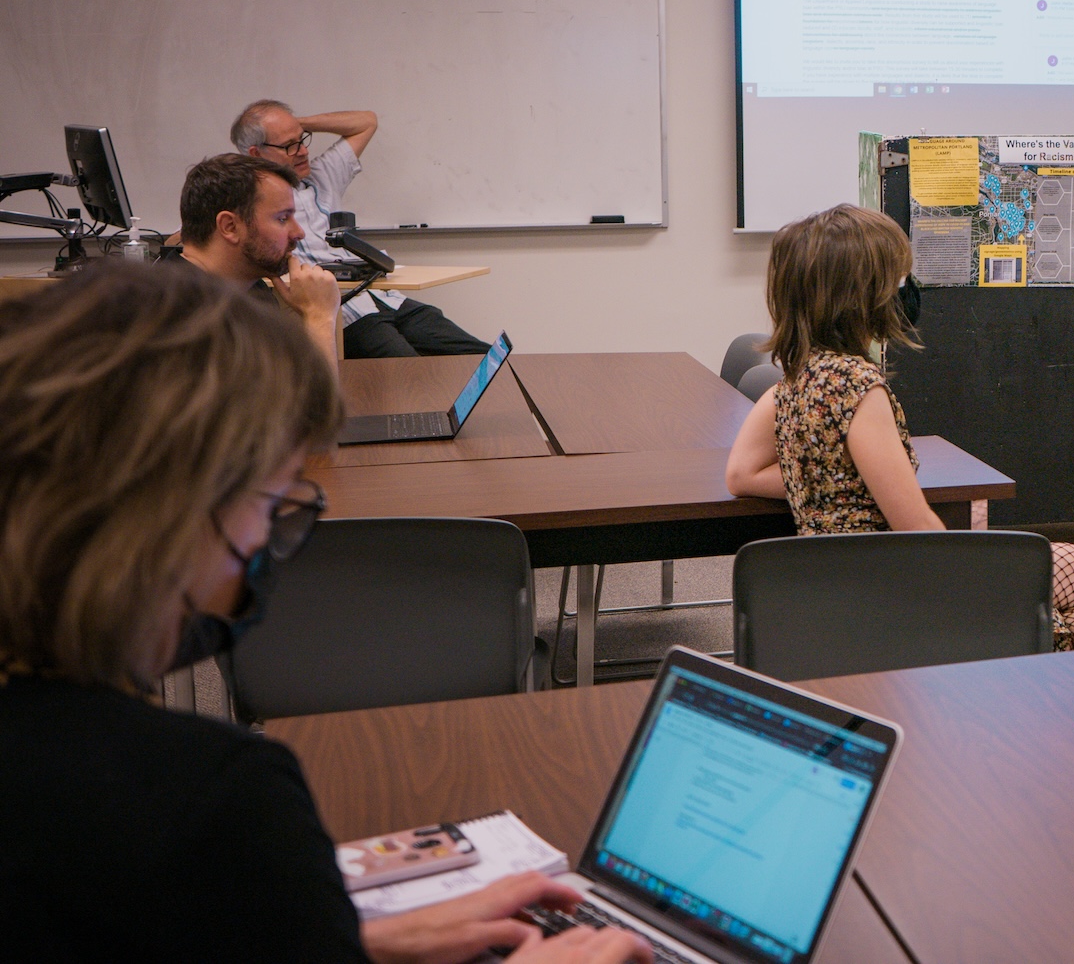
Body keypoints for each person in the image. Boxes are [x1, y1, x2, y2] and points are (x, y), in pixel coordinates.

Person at [0, 264, 647, 963]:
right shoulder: (207, 797)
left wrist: (342, 939)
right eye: (272, 503)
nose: (274, 539)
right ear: (170, 520)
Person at [725, 204, 1074, 654]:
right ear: (862, 295)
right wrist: (973, 552)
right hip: (891, 593)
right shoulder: (859, 387)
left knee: (1064, 572)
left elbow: (741, 475)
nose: (906, 291)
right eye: (898, 281)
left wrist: (834, 487)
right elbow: (915, 527)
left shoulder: (790, 383)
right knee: (1072, 572)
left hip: (835, 588)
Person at [233, 100, 489, 360]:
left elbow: (366, 122)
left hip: (383, 297)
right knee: (409, 371)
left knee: (482, 357)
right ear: (256, 154)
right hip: (343, 312)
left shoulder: (321, 175)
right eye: (290, 146)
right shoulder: (246, 202)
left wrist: (300, 123)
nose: (302, 151)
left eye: (302, 139)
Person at [176, 153, 342, 374]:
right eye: (282, 219)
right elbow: (314, 408)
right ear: (230, 227)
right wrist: (318, 317)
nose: (299, 233)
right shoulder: (181, 316)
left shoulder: (254, 291)